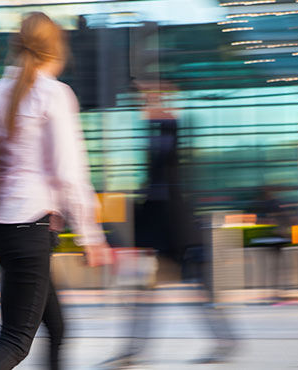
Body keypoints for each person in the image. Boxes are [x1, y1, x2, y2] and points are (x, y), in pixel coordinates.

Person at [0, 12, 111, 370]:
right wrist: (91, 235)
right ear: (56, 48)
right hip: (29, 226)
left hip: (0, 228)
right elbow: (69, 171)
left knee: (57, 327)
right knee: (14, 342)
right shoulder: (53, 94)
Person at [98, 81, 238, 368]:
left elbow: (172, 140)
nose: (144, 107)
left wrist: (162, 109)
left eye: (150, 101)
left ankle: (224, 340)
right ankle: (134, 349)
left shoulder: (170, 135)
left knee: (197, 291)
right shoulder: (157, 141)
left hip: (177, 232)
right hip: (160, 232)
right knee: (144, 291)